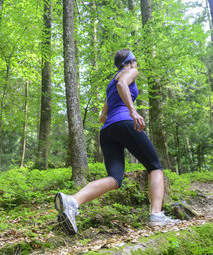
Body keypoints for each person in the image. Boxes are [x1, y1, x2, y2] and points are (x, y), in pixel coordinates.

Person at [55, 49, 180, 234]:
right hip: (124, 122)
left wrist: (118, 123)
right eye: (135, 61)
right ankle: (156, 216)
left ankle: (72, 201)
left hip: (107, 131)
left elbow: (102, 116)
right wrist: (132, 111)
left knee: (115, 178)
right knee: (155, 168)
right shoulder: (130, 72)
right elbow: (123, 84)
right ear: (131, 61)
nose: (136, 65)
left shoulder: (110, 83)